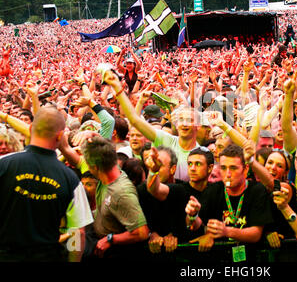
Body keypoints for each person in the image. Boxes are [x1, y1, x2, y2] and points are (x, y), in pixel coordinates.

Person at [0, 106, 93, 262]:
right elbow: (78, 233)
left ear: (30, 128)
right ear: (60, 136)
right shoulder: (71, 179)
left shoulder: (4, 165)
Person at [103, 69, 199, 182]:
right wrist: (118, 88)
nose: (185, 123)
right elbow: (134, 120)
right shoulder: (166, 139)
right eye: (181, 119)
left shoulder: (203, 151)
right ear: (176, 124)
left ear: (197, 125)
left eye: (189, 120)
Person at [185, 144, 273, 253]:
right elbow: (198, 225)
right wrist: (192, 215)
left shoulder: (256, 190)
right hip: (222, 257)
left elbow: (256, 234)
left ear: (245, 170)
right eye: (223, 168)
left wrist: (226, 231)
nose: (228, 174)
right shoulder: (213, 190)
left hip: (251, 256)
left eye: (233, 168)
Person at [80, 135, 149, 259]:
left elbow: (141, 232)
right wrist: (95, 137)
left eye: (88, 165)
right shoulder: (110, 168)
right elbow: (106, 150)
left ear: (95, 167)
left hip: (116, 253)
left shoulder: (121, 193)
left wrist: (111, 239)